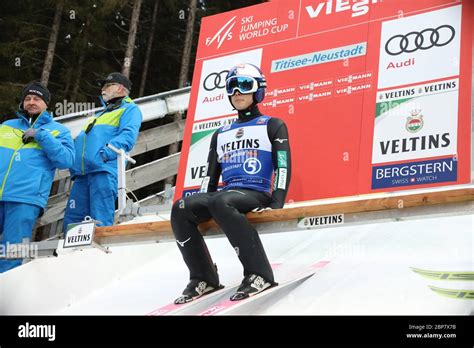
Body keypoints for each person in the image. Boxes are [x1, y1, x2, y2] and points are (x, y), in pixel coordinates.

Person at [171, 63, 292, 303]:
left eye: (245, 85)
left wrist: (277, 201)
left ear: (258, 91)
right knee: (181, 207)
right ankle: (203, 277)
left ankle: (259, 273)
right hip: (225, 195)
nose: (237, 92)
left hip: (255, 192)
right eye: (232, 86)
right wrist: (201, 204)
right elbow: (210, 175)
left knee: (222, 201)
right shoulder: (221, 132)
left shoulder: (272, 124)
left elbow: (283, 164)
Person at [0, 81, 75, 273]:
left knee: (13, 251)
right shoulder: (6, 126)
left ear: (46, 103)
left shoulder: (58, 130)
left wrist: (41, 136)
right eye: (27, 98)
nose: (31, 102)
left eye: (37, 98)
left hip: (25, 199)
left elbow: (66, 160)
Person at [63, 73, 142, 229]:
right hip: (82, 175)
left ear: (120, 88)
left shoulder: (130, 109)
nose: (102, 90)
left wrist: (104, 154)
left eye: (107, 86)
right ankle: (70, 253)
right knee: (73, 222)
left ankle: (98, 252)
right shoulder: (98, 115)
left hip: (103, 171)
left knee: (99, 220)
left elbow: (127, 136)